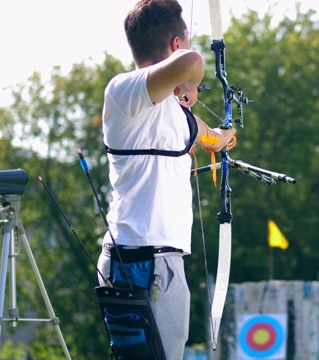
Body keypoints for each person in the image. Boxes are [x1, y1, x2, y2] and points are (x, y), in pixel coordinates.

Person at [96, 0, 236, 358]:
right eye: (186, 42)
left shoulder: (171, 111)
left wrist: (223, 136)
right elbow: (192, 64)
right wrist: (190, 85)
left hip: (152, 261)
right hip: (143, 261)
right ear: (176, 44)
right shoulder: (123, 91)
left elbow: (206, 135)